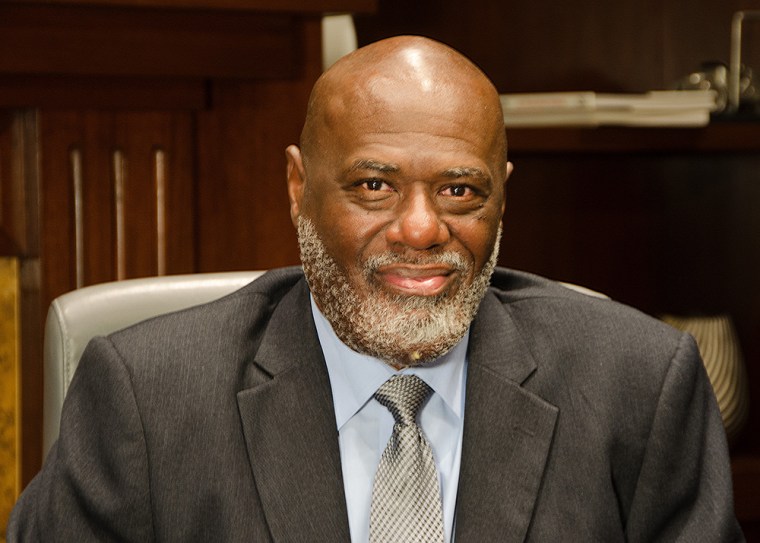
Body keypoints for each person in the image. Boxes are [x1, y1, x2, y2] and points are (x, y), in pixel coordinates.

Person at [8, 36, 743, 542]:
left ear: (503, 197)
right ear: (299, 187)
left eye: (460, 190)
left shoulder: (638, 387)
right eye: (373, 185)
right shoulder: (149, 398)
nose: (421, 229)